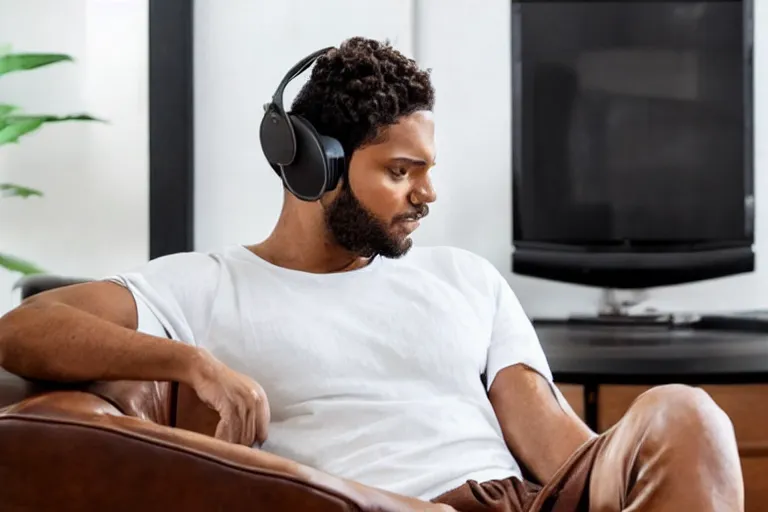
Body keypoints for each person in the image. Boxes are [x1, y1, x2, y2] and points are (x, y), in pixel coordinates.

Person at [0, 37, 744, 512]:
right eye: (399, 171)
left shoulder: (467, 280)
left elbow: (558, 450)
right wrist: (192, 363)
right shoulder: (204, 286)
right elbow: (22, 330)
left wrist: (634, 467)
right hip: (374, 504)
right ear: (312, 162)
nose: (428, 194)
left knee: (688, 412)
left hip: (521, 501)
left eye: (428, 170)